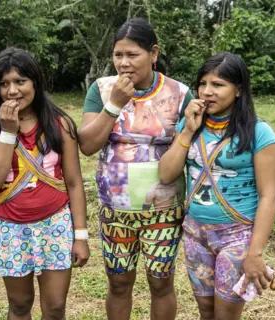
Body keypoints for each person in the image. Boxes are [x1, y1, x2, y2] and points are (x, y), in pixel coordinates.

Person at [79, 18, 194, 320]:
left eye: (133, 55)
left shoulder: (179, 94)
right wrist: (115, 104)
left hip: (164, 209)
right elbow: (87, 145)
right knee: (118, 283)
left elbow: (192, 147)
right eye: (118, 55)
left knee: (161, 283)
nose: (124, 63)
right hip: (115, 210)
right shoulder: (102, 90)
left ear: (153, 53)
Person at [159, 52, 275, 320]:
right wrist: (188, 131)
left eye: (218, 85)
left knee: (225, 315)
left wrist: (255, 253)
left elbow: (269, 196)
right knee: (206, 312)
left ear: (238, 90)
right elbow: (166, 174)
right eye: (203, 84)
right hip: (195, 233)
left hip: (236, 237)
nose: (207, 92)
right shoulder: (191, 125)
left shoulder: (260, 133)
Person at [0, 47, 90, 320]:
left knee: (56, 306)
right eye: (4, 83)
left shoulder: (59, 123)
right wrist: (7, 132)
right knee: (20, 305)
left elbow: (73, 182)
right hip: (9, 227)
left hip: (55, 225)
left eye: (20, 81)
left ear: (35, 82)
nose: (12, 91)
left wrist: (80, 236)